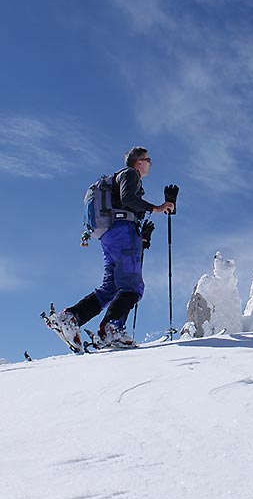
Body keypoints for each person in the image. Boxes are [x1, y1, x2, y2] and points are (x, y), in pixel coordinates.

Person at [55, 146, 174, 349]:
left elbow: (126, 204)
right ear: (139, 162)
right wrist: (157, 208)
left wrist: (142, 237)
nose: (150, 163)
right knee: (132, 285)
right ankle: (112, 329)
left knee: (110, 287)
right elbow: (128, 198)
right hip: (122, 231)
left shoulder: (116, 179)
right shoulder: (130, 174)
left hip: (109, 235)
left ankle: (72, 317)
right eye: (148, 159)